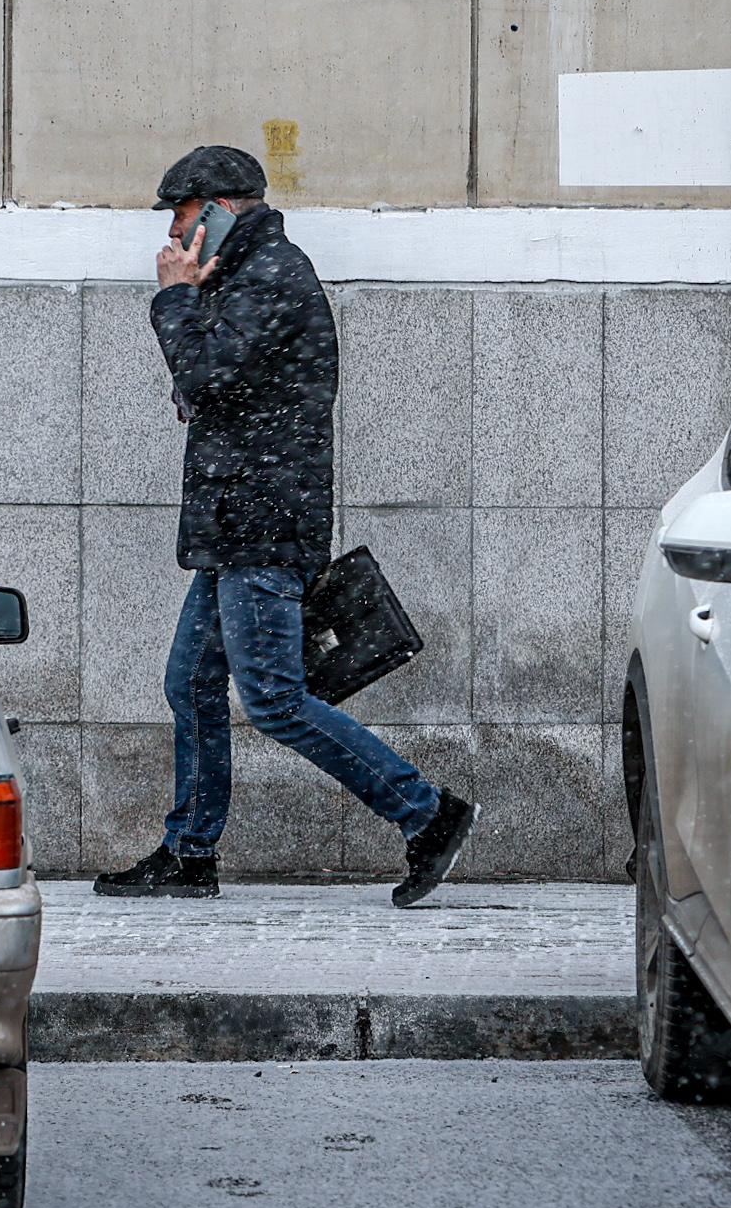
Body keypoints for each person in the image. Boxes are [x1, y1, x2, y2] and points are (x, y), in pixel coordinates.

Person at [95, 145, 478, 906]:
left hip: (262, 524)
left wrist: (173, 298)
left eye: (180, 214)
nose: (172, 234)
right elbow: (211, 389)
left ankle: (426, 812)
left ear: (218, 207)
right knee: (193, 681)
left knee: (271, 696)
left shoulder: (272, 273)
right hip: (237, 521)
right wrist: (196, 307)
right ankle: (189, 851)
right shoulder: (244, 279)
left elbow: (202, 376)